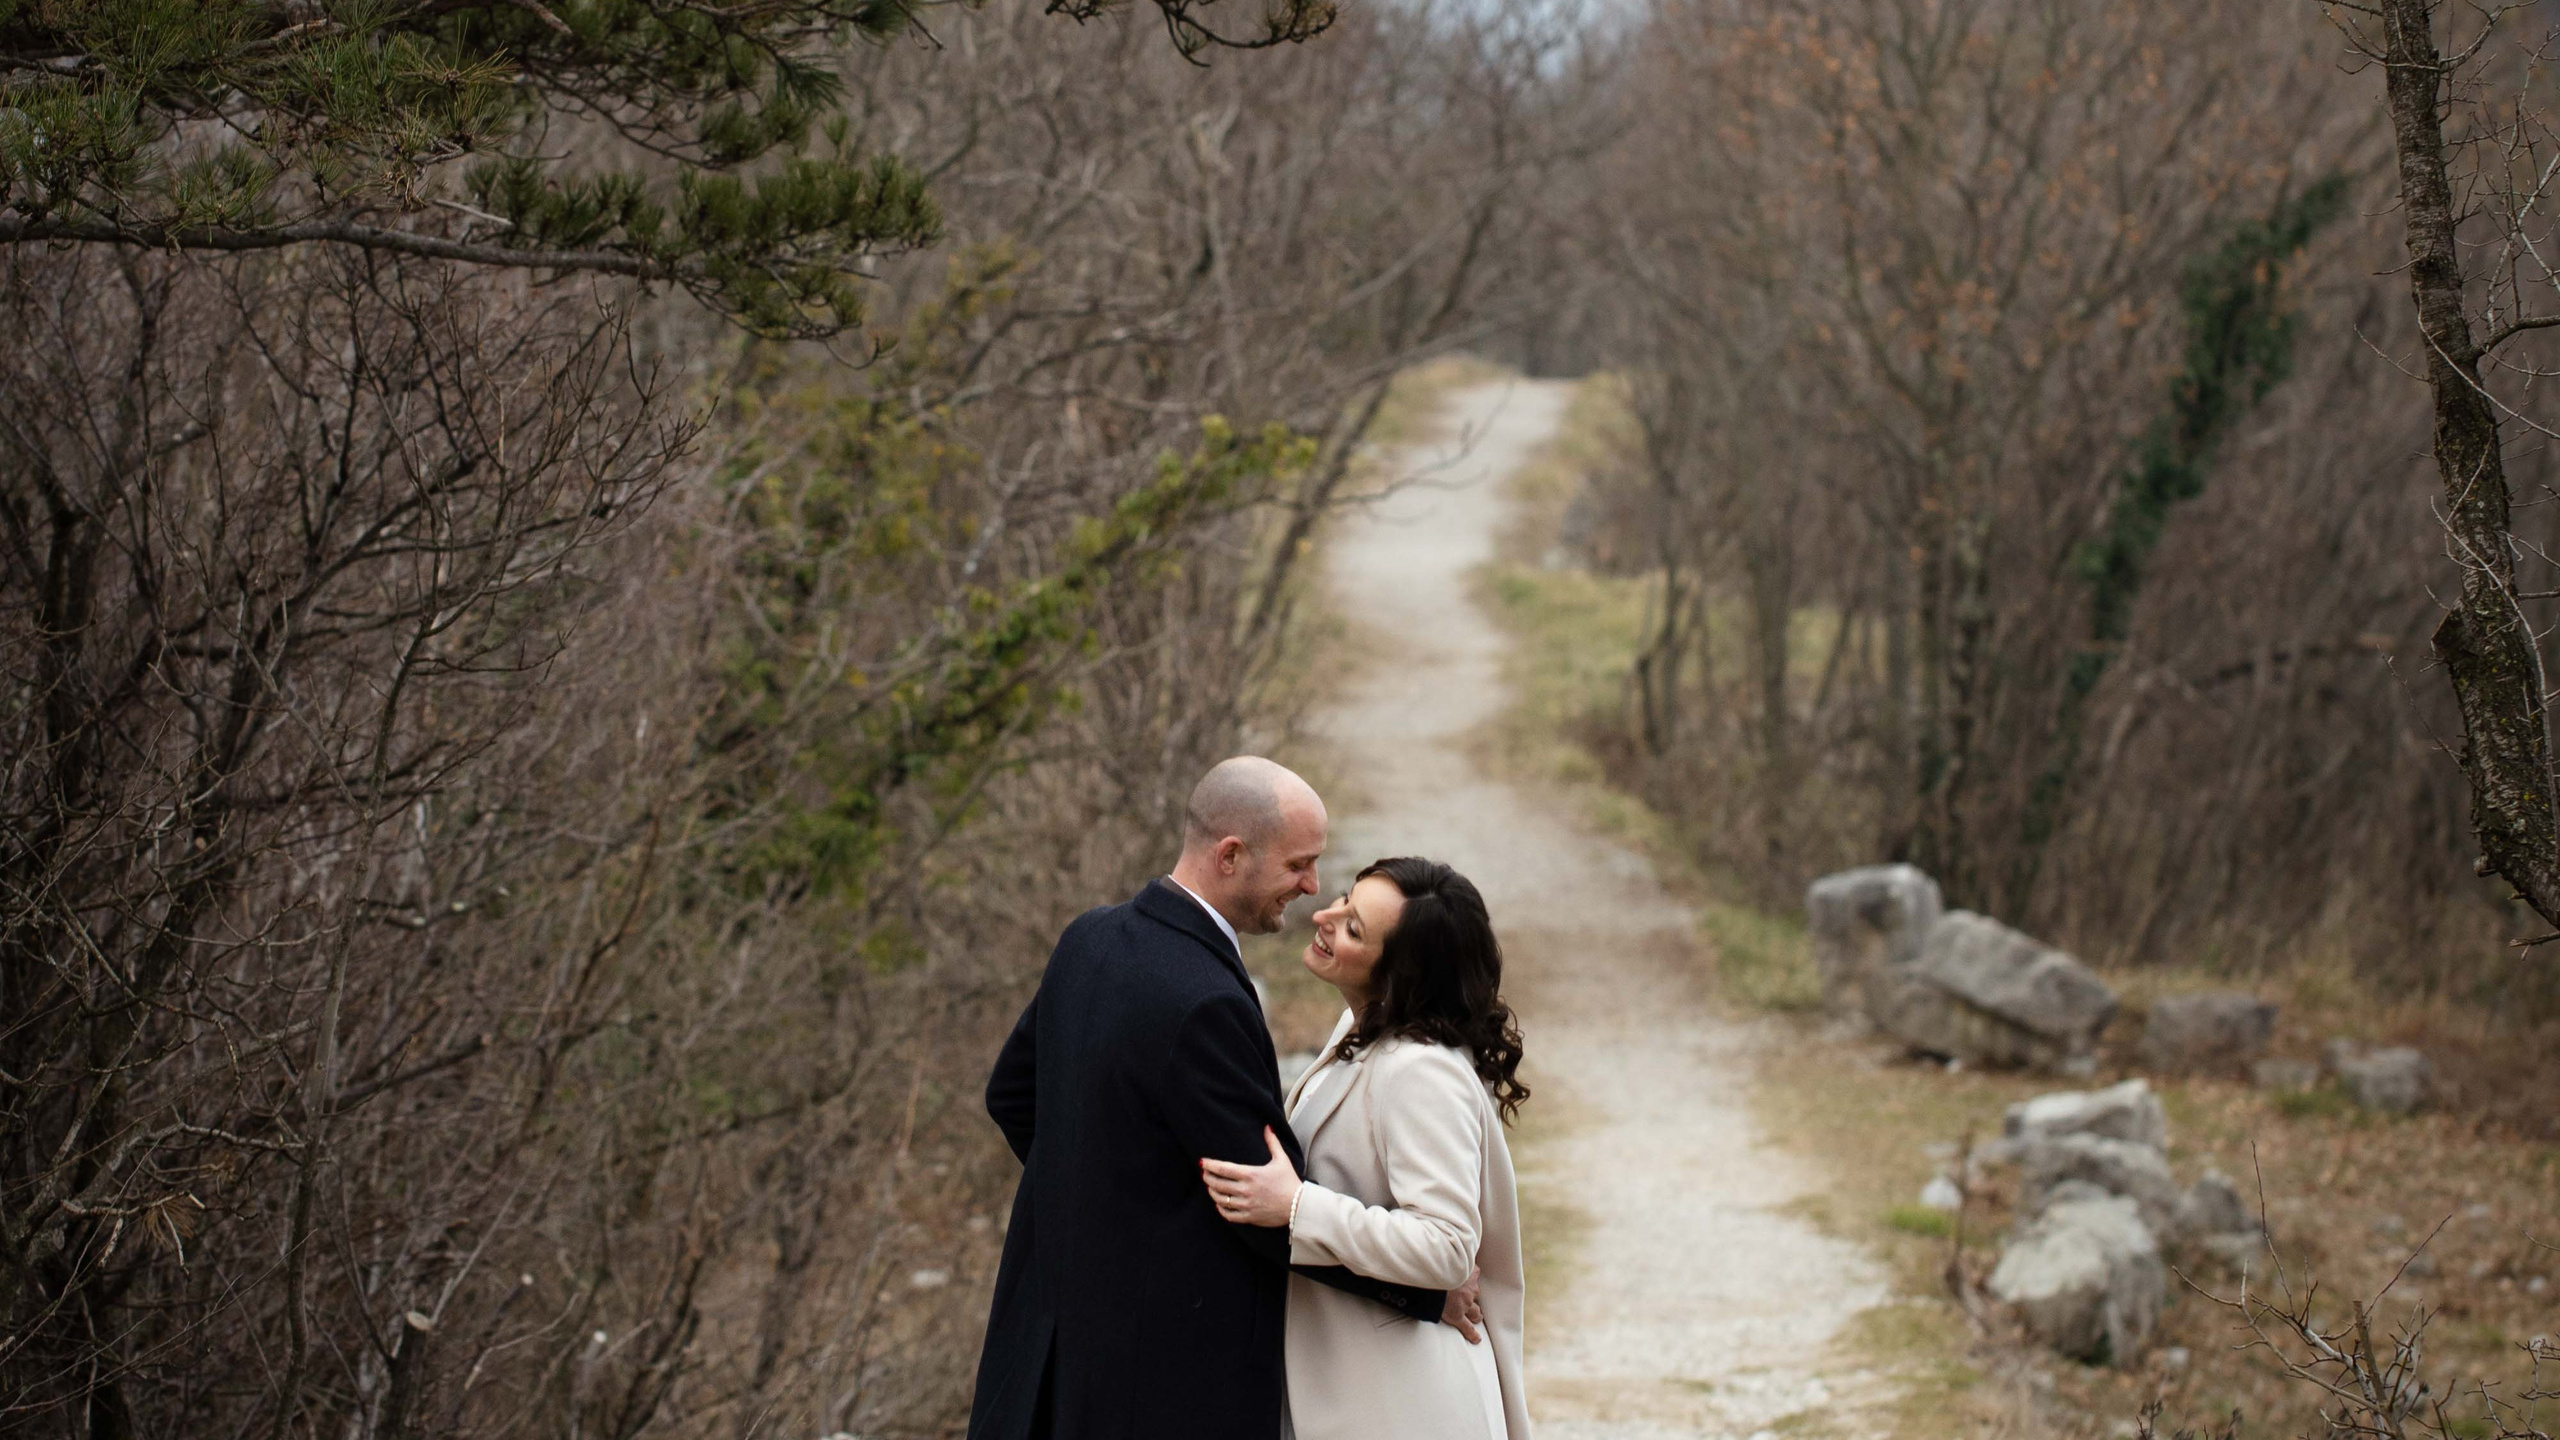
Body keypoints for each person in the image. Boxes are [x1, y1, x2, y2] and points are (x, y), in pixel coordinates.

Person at [967, 758, 1480, 1440]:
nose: (1312, 887)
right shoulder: (1204, 999)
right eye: (1299, 865)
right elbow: (1257, 1204)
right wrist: (1424, 1290)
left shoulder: (1088, 938)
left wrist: (1102, 1202)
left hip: (1040, 1345)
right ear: (1232, 855)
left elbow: (1012, 1098)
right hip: (1157, 1380)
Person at [1201, 856, 1533, 1440]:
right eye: (1343, 901)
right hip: (1357, 1387)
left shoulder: (1419, 1070)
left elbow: (1447, 1246)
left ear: (1401, 973)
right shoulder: (1359, 1030)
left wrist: (1299, 1207)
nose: (1324, 918)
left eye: (1353, 928)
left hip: (1407, 1401)